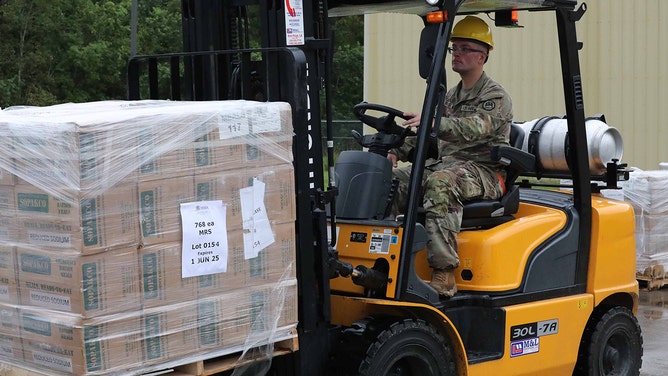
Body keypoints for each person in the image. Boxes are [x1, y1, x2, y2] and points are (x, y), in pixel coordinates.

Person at [387, 16, 513, 298]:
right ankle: (388, 259)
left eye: (464, 48)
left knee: (441, 182)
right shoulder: (449, 95)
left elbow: (473, 129)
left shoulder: (495, 96)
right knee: (389, 180)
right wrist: (395, 151)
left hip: (485, 173)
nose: (456, 53)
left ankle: (444, 274)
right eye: (453, 48)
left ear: (482, 56)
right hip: (449, 166)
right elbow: (427, 135)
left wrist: (433, 122)